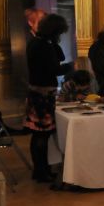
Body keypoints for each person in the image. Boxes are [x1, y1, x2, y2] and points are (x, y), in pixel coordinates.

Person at [24, 14, 73, 183]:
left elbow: (59, 56)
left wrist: (54, 43)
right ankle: (41, 171)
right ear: (54, 31)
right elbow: (56, 68)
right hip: (43, 95)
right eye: (59, 33)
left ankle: (41, 169)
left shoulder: (37, 42)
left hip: (37, 93)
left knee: (39, 134)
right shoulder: (43, 46)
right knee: (41, 135)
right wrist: (70, 67)